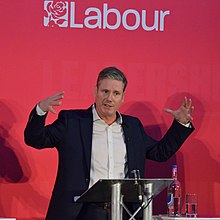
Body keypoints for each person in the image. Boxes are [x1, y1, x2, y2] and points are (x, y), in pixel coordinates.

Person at [24, 66, 194, 220]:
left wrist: (181, 125)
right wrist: (40, 111)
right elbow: (35, 140)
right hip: (80, 212)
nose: (109, 98)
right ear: (95, 91)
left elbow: (160, 153)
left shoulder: (133, 126)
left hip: (125, 211)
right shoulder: (72, 122)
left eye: (116, 93)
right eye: (104, 91)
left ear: (122, 97)